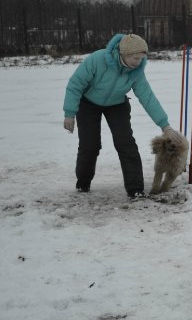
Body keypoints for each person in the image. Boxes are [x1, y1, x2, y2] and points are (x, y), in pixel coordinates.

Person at [63, 33, 184, 199]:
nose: (139, 62)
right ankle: (83, 183)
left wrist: (165, 126)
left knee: (126, 143)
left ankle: (136, 189)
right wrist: (69, 113)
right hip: (88, 103)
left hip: (117, 105)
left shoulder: (136, 72)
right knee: (90, 145)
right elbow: (75, 85)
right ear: (124, 54)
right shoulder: (98, 60)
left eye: (142, 58)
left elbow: (147, 97)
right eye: (135, 58)